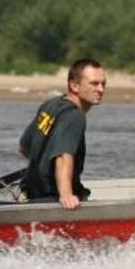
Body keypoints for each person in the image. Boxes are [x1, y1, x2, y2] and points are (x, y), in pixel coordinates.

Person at [19, 58, 106, 209]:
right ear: (74, 86)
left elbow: (25, 147)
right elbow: (63, 156)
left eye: (103, 84)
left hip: (32, 194)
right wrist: (66, 195)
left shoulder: (52, 105)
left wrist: (42, 167)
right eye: (94, 83)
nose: (101, 89)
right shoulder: (74, 116)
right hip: (51, 199)